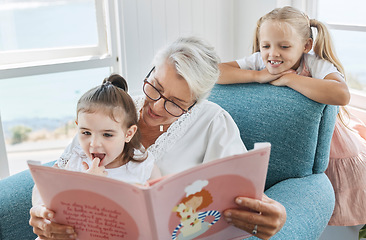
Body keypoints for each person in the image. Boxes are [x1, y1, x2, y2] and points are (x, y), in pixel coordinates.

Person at [29, 36, 287, 240]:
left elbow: (240, 190)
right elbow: (58, 174)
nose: (157, 106)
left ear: (195, 103)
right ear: (151, 70)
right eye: (156, 87)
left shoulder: (213, 123)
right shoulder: (111, 110)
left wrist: (275, 212)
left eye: (175, 103)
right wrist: (43, 213)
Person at [218, 6, 366, 227]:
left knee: (337, 187)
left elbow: (342, 94)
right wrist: (257, 76)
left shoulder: (314, 63)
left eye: (284, 47)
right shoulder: (260, 61)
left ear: (306, 46)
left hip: (326, 141)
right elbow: (216, 71)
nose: (273, 54)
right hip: (287, 139)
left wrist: (290, 80)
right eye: (266, 45)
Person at [60, 74, 161, 184]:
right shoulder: (75, 163)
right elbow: (61, 200)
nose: (94, 144)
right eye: (86, 132)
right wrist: (87, 184)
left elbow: (160, 198)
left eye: (107, 135)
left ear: (128, 134)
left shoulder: (143, 166)